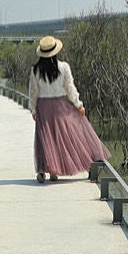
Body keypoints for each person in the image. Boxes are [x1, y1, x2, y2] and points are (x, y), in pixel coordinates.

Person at [29, 35, 111, 183]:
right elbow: (70, 88)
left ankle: (44, 171)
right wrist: (78, 104)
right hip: (60, 105)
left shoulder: (35, 70)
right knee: (70, 136)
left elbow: (33, 92)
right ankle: (78, 166)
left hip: (43, 106)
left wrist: (33, 110)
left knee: (45, 138)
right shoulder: (63, 67)